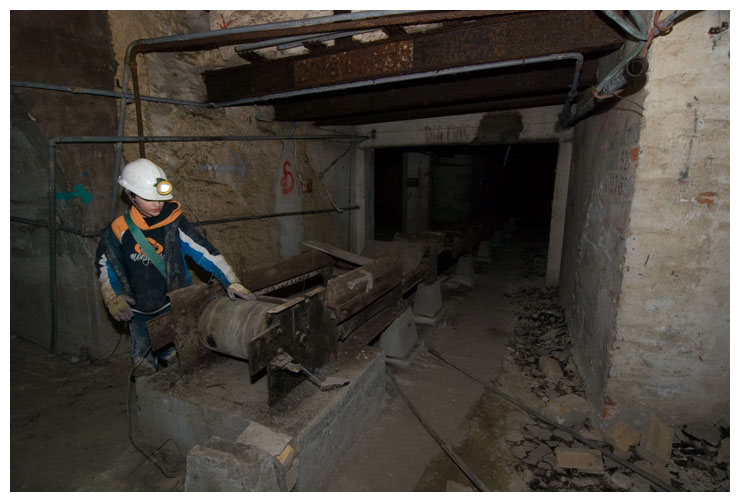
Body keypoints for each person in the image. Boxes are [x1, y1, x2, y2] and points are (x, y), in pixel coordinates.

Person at [95, 158, 255, 376]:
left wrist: (231, 280)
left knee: (178, 358)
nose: (157, 204)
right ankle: (147, 390)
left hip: (173, 307)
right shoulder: (118, 230)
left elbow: (206, 252)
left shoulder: (174, 224)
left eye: (160, 198)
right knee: (142, 363)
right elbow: (107, 264)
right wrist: (112, 296)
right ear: (131, 196)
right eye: (148, 198)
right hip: (138, 312)